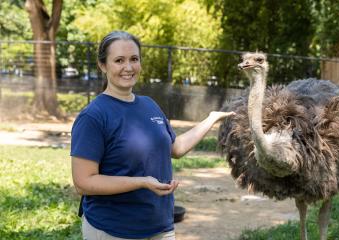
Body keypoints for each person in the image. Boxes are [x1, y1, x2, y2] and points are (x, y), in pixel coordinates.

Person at [70, 31, 234, 240]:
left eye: (134, 59)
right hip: (114, 230)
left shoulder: (149, 105)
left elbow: (176, 148)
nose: (128, 67)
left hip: (161, 227)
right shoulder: (94, 116)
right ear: (103, 65)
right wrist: (141, 182)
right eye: (119, 60)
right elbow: (83, 182)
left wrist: (211, 119)